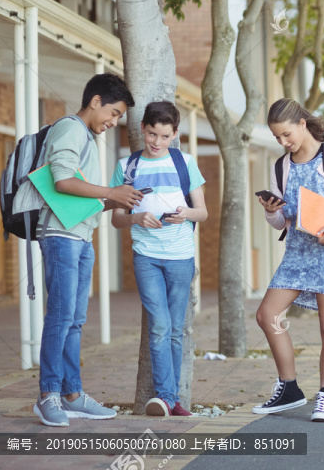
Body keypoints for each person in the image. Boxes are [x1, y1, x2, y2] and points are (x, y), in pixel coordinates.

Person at [34, 74, 141, 427]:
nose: (113, 122)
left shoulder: (87, 138)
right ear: (95, 101)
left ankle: (72, 394)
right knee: (61, 317)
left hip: (81, 237)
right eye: (113, 113)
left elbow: (86, 199)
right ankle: (48, 395)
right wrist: (110, 193)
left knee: (75, 321)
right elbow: (63, 181)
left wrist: (122, 199)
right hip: (61, 237)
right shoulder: (70, 129)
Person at [252, 99, 324, 423]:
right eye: (277, 138)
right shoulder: (280, 167)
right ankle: (289, 388)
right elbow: (280, 222)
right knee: (267, 314)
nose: (284, 143)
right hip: (297, 252)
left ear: (302, 124)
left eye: (287, 134)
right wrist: (272, 211)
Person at [109, 101, 208, 417]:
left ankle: (171, 400)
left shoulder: (185, 163)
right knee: (160, 327)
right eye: (152, 134)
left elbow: (202, 212)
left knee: (175, 329)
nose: (156, 142)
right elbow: (116, 220)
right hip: (146, 257)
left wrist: (184, 214)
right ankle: (167, 398)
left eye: (165, 136)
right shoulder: (127, 167)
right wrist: (137, 219)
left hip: (181, 257)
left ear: (175, 134)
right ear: (141, 129)